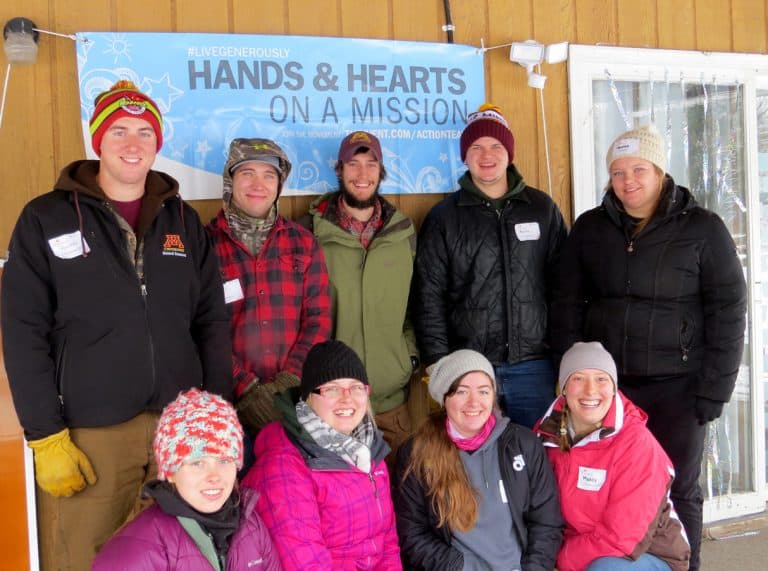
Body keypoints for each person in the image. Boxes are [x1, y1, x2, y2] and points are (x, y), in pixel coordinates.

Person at [0, 80, 232, 570]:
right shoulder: (46, 219)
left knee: (180, 553)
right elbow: (23, 331)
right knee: (88, 557)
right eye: (120, 131)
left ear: (158, 143)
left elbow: (211, 320)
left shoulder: (183, 221)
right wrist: (46, 433)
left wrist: (216, 415)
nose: (133, 144)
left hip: (179, 426)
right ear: (97, 140)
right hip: (93, 430)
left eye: (145, 132)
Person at [549, 124, 747, 571]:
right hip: (608, 391)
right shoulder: (590, 229)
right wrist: (569, 379)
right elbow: (565, 303)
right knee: (603, 490)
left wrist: (714, 390)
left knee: (678, 488)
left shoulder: (703, 229)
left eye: (639, 169)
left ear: (660, 171)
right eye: (617, 172)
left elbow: (729, 310)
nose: (628, 181)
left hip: (680, 387)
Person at [412, 103, 567, 429]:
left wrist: (564, 355)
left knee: (536, 459)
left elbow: (566, 287)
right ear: (464, 156)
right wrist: (440, 364)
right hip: (469, 366)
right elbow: (429, 295)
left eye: (496, 146)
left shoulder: (541, 209)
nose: (487, 155)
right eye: (476, 147)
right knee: (474, 463)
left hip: (534, 367)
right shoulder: (445, 217)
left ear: (509, 154)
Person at [303, 130, 419, 455]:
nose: (363, 174)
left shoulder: (403, 233)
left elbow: (414, 306)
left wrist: (407, 359)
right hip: (334, 406)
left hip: (392, 403)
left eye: (371, 164)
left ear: (381, 172)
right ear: (339, 170)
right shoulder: (311, 233)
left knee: (401, 496)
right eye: (353, 164)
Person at [394, 349, 563, 571]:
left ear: (493, 396)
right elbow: (413, 534)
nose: (474, 402)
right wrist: (460, 566)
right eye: (462, 392)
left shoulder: (523, 444)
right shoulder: (418, 452)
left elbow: (547, 523)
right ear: (444, 398)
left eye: (483, 391)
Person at [207, 137, 331, 437]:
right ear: (230, 180)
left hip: (294, 403)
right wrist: (245, 386)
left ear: (279, 184)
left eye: (268, 175)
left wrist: (288, 382)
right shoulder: (205, 245)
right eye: (247, 172)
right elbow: (200, 326)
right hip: (228, 407)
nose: (258, 184)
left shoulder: (303, 242)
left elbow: (319, 319)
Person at [242, 340, 401, 570]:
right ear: (308, 397)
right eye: (332, 389)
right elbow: (305, 563)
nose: (347, 399)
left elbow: (388, 544)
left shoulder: (370, 452)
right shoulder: (283, 466)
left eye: (356, 387)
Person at [534, 342, 690, 571]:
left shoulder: (637, 445)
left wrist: (557, 561)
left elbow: (622, 538)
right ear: (563, 387)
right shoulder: (545, 434)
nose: (590, 390)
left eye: (601, 379)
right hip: (574, 550)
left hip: (647, 554)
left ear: (614, 387)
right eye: (578, 378)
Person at [93, 388, 280, 570]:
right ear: (170, 472)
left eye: (224, 460)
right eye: (197, 463)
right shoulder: (137, 551)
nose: (214, 476)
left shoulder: (252, 526)